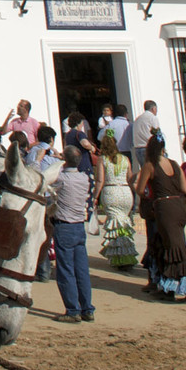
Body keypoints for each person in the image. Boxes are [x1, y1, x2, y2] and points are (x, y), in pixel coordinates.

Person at [134, 132, 186, 304]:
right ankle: (169, 287)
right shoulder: (175, 164)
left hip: (164, 208)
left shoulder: (150, 164)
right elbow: (184, 189)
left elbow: (140, 190)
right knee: (170, 246)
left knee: (175, 248)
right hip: (179, 206)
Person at [48, 144, 96, 322]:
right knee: (81, 269)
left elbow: (46, 181)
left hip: (64, 225)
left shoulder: (62, 179)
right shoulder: (84, 178)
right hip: (78, 225)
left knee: (66, 270)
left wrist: (56, 161)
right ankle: (87, 308)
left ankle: (73, 310)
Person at [97, 128, 139, 268]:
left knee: (115, 225)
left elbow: (100, 181)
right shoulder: (125, 159)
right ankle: (127, 254)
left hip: (111, 191)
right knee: (124, 224)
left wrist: (95, 197)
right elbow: (130, 178)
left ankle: (120, 258)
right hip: (125, 192)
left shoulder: (102, 159)